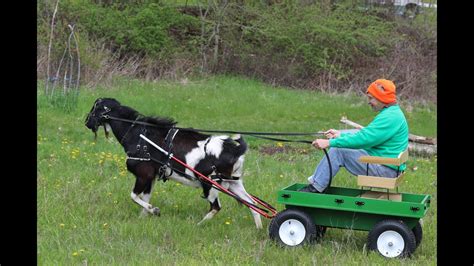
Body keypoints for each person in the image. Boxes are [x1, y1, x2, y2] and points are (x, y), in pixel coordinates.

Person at [299, 79, 409, 193]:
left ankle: (314, 189)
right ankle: (316, 184)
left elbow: (364, 139)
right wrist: (340, 134)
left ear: (382, 98)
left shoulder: (389, 117)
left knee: (338, 151)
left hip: (385, 170)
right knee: (339, 148)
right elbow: (367, 134)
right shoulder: (392, 113)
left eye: (371, 98)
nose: (369, 102)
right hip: (386, 166)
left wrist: (329, 143)